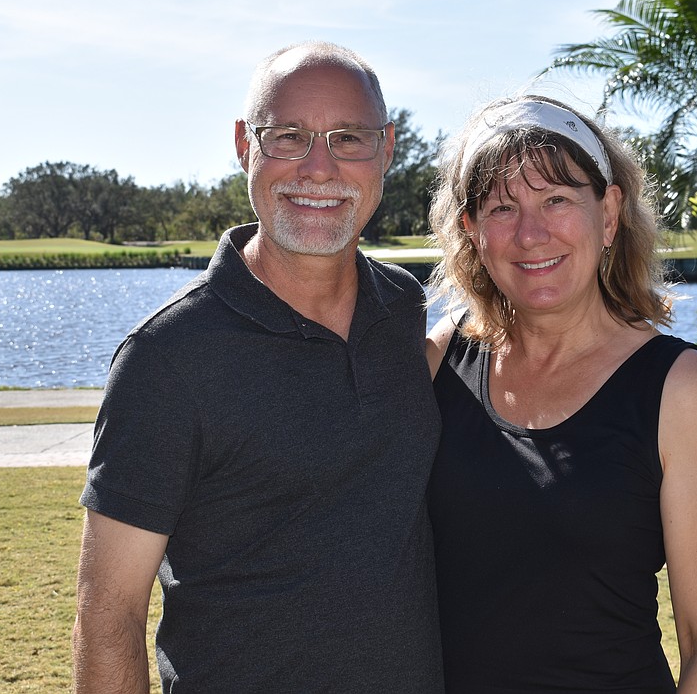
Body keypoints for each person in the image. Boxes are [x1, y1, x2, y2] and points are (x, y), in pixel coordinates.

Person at [71, 41, 444, 693]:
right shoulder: (166, 359)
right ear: (245, 144)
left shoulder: (405, 311)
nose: (319, 168)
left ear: (387, 148)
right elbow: (108, 617)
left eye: (348, 138)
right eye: (289, 136)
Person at [425, 94, 697, 692]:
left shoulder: (680, 390)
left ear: (608, 214)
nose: (531, 233)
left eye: (556, 200)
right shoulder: (440, 361)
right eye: (502, 208)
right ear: (471, 231)